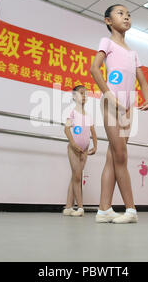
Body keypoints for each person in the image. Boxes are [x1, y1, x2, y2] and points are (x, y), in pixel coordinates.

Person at [89, 4, 148, 224]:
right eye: (120, 13)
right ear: (108, 21)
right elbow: (94, 69)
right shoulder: (106, 42)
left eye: (128, 14)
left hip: (127, 107)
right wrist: (108, 95)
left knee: (112, 158)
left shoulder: (133, 53)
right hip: (110, 104)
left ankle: (103, 209)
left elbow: (142, 81)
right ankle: (131, 210)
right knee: (121, 155)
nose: (126, 17)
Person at [63, 85, 97, 217]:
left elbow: (93, 131)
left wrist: (95, 145)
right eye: (81, 93)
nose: (83, 96)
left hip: (85, 150)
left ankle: (68, 207)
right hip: (74, 149)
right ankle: (80, 208)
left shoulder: (88, 115)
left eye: (85, 94)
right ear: (73, 96)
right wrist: (73, 144)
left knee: (75, 176)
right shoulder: (72, 112)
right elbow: (66, 129)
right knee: (77, 176)